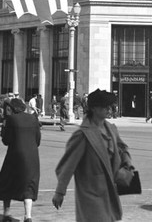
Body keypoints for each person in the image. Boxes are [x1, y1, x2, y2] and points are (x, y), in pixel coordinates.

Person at [52, 89, 133, 222]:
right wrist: (60, 192)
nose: (109, 109)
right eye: (105, 106)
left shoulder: (111, 129)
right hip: (91, 193)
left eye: (110, 106)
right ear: (94, 108)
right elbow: (68, 165)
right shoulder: (83, 135)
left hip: (109, 190)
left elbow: (122, 148)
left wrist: (127, 162)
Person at [0, 98, 41, 222]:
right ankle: (28, 216)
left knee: (7, 182)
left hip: (15, 156)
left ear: (12, 109)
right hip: (32, 158)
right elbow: (38, 140)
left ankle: (7, 214)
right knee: (29, 185)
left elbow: (6, 141)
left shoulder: (11, 120)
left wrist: (4, 126)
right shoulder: (33, 119)